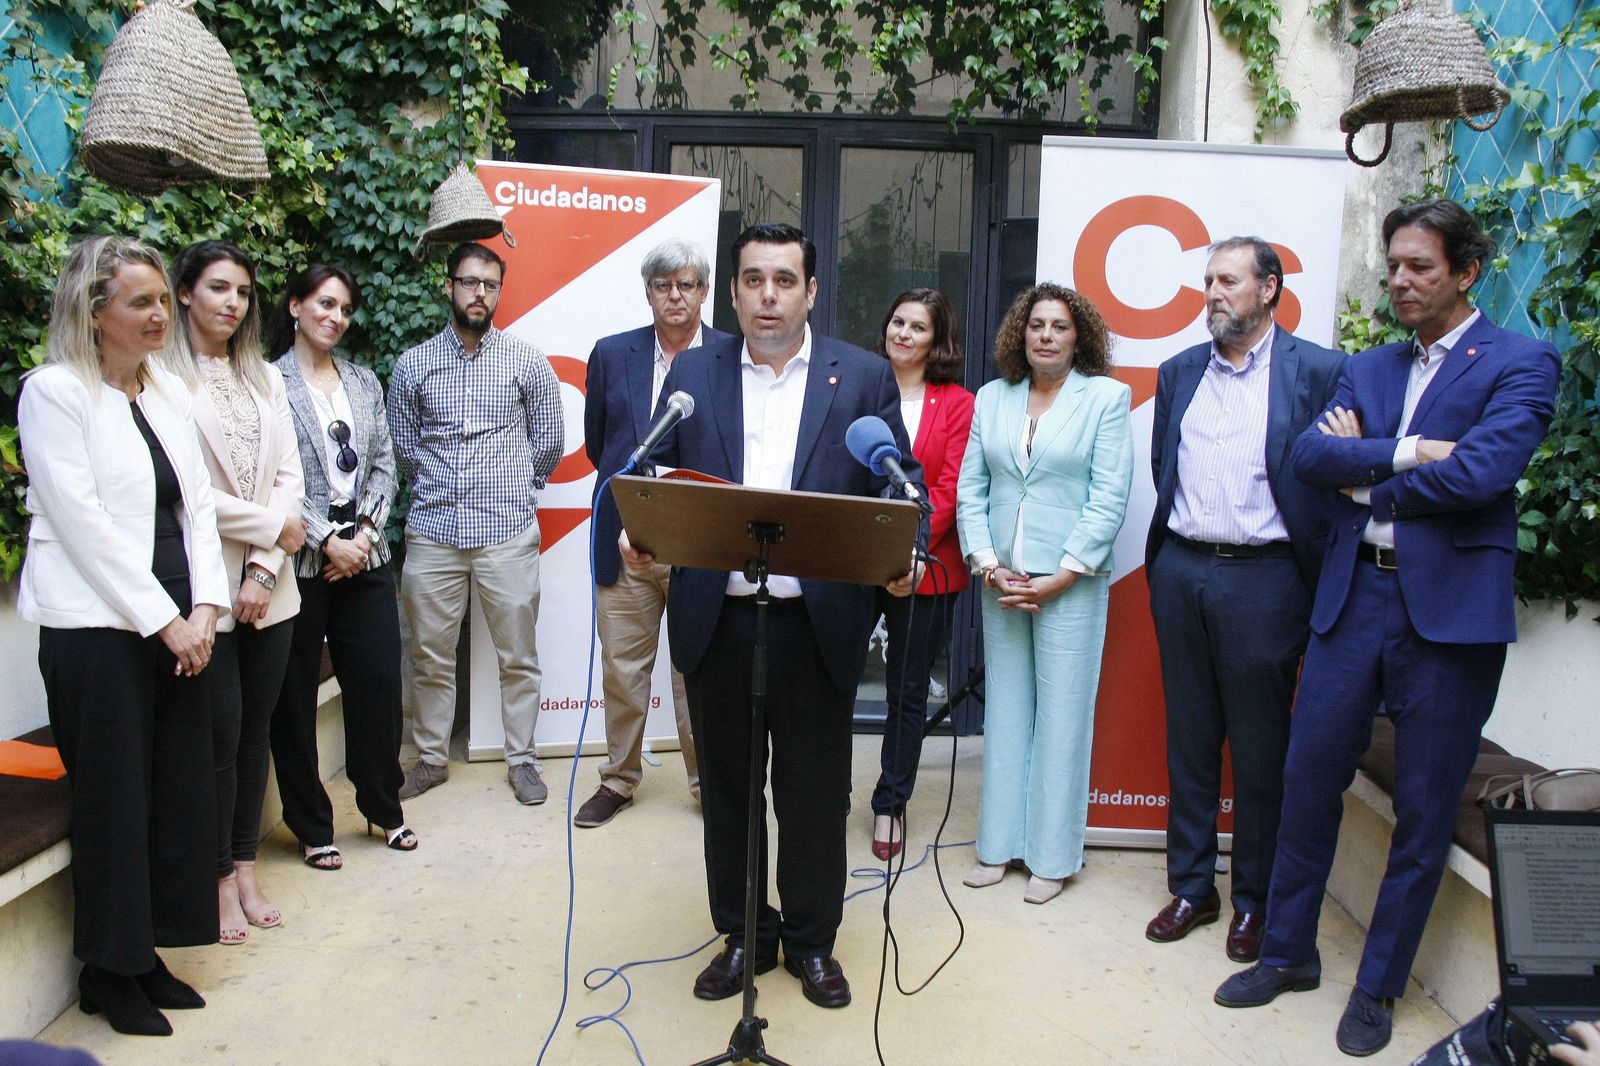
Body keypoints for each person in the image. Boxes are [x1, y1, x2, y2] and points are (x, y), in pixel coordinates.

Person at [1214, 200, 1560, 1058]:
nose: (1400, 281)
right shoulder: (1367, 368)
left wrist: (1368, 470)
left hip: (1447, 624)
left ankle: (1378, 987)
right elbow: (1308, 458)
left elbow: (1486, 471)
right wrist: (1411, 451)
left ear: (1466, 272)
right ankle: (1288, 954)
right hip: (1352, 601)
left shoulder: (1521, 362)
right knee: (1307, 782)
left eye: (1421, 268)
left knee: (1424, 811)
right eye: (1394, 266)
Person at [619, 222, 920, 1009]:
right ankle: (744, 934)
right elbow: (656, 469)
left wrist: (900, 550)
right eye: (753, 279)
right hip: (718, 621)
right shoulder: (695, 369)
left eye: (785, 280)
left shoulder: (859, 377)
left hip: (814, 624)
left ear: (812, 291)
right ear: (733, 290)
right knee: (727, 792)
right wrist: (641, 529)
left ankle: (813, 942)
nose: (768, 295)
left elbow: (898, 481)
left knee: (815, 794)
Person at [18, 236, 229, 1036]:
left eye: (157, 301)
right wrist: (168, 620)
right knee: (113, 800)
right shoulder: (54, 392)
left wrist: (205, 605)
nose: (158, 314)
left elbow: (196, 507)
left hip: (179, 621)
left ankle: (145, 951)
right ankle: (108, 969)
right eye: (139, 302)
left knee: (175, 792)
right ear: (92, 310)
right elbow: (84, 526)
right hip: (99, 630)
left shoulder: (165, 391)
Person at [1143, 238, 1345, 962]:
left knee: (1261, 752)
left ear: (1269, 289)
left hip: (1268, 579)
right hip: (1181, 570)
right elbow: (1166, 465)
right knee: (1190, 740)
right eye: (1206, 282)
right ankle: (1193, 888)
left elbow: (1333, 472)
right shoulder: (1179, 372)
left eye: (1227, 281)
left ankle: (1255, 901)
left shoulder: (1319, 371)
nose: (1212, 294)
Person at [956, 282, 1133, 906]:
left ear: (1077, 336)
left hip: (1070, 585)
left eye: (1059, 326)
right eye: (1036, 325)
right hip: (1002, 580)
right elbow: (969, 491)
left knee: (1061, 719)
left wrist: (1064, 573)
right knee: (1006, 712)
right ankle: (997, 848)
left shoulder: (1107, 399)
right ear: (1020, 334)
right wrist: (986, 565)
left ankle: (1052, 858)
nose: (1046, 335)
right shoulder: (992, 398)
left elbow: (1109, 497)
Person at [164, 240, 306, 946]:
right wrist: (276, 531)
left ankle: (245, 866)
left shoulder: (264, 376)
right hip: (201, 591)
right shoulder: (159, 380)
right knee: (215, 738)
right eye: (218, 287)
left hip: (267, 588)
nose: (232, 302)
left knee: (256, 736)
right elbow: (189, 494)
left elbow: (290, 473)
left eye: (244, 292)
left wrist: (262, 567)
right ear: (184, 291)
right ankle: (216, 878)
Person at [387, 242, 564, 806]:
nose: (479, 294)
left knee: (518, 656)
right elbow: (404, 446)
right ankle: (432, 758)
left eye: (489, 284)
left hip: (507, 534)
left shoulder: (526, 362)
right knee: (431, 655)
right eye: (469, 282)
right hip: (434, 532)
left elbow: (550, 441)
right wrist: (442, 489)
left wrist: (513, 490)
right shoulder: (413, 364)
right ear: (449, 287)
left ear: (498, 291)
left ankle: (523, 760)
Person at [576, 238, 731, 827]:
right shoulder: (612, 354)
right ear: (648, 292)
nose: (675, 295)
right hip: (625, 539)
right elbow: (601, 446)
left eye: (686, 285)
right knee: (623, 669)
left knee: (700, 672)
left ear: (704, 292)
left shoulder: (728, 354)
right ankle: (617, 780)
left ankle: (706, 784)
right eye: (663, 285)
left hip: (700, 539)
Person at [268, 265, 416, 870]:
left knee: (378, 684)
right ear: (297, 307)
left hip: (367, 554)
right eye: (324, 304)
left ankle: (384, 808)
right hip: (301, 560)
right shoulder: (267, 382)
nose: (335, 317)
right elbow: (272, 474)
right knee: (294, 697)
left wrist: (364, 535)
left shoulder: (362, 380)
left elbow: (384, 462)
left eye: (345, 308)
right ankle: (310, 823)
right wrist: (327, 539)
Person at [865, 288, 974, 859]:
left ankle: (890, 803)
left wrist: (908, 546)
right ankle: (824, 792)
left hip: (925, 564)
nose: (903, 334)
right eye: (897, 321)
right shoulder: (859, 386)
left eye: (918, 327)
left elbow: (952, 488)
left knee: (906, 693)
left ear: (938, 341)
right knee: (830, 682)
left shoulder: (957, 403)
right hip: (854, 561)